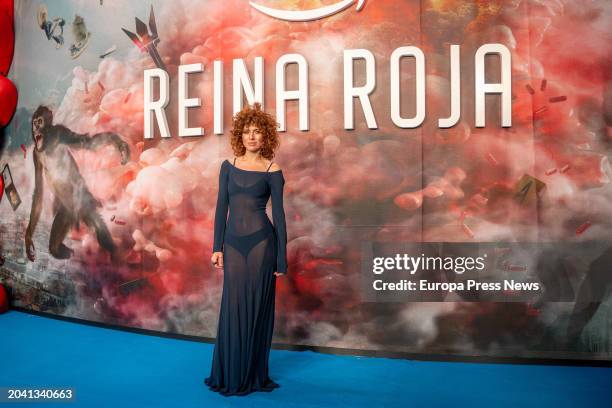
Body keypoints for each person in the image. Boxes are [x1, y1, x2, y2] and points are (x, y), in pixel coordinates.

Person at [204, 102, 288, 396]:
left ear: (266, 136)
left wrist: (282, 258)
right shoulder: (228, 167)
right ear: (240, 135)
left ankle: (252, 374)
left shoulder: (272, 170)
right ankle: (231, 373)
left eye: (258, 132)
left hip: (263, 245)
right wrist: (217, 247)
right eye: (247, 131)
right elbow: (220, 209)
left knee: (257, 309)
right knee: (234, 307)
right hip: (233, 244)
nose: (252, 136)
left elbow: (279, 216)